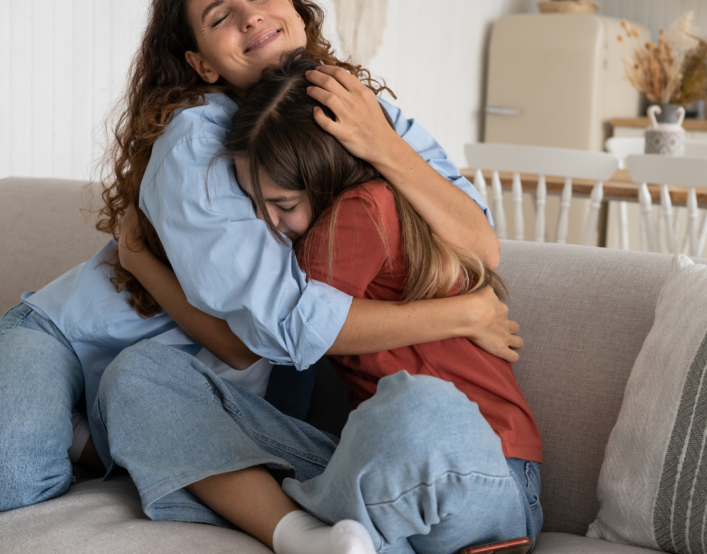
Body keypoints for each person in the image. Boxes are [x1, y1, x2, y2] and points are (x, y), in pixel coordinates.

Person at [0, 0, 522, 516]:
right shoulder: (199, 136)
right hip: (80, 334)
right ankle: (18, 422)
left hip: (191, 383)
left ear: (296, 8)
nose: (250, 16)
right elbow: (274, 331)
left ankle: (87, 437)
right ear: (201, 62)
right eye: (219, 17)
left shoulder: (366, 110)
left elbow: (481, 246)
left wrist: (382, 146)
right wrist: (465, 314)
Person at [108, 53, 542, 554]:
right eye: (254, 205)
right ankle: (323, 537)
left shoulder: (359, 211)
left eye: (284, 205)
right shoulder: (344, 218)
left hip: (484, 470)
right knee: (139, 375)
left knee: (418, 405)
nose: (269, 223)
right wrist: (464, 313)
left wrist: (142, 263)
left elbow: (289, 339)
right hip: (377, 475)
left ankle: (303, 515)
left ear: (325, 174)